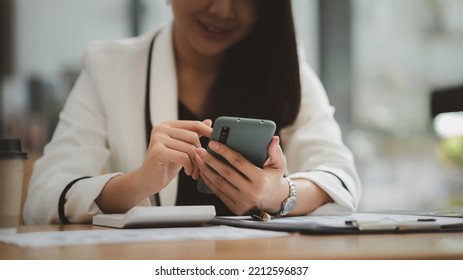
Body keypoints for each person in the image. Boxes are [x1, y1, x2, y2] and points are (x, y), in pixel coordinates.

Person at [24, 0, 361, 225]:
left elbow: (341, 178)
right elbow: (43, 197)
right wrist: (137, 182)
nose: (223, 10)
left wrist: (278, 195)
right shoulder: (109, 66)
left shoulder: (284, 65)